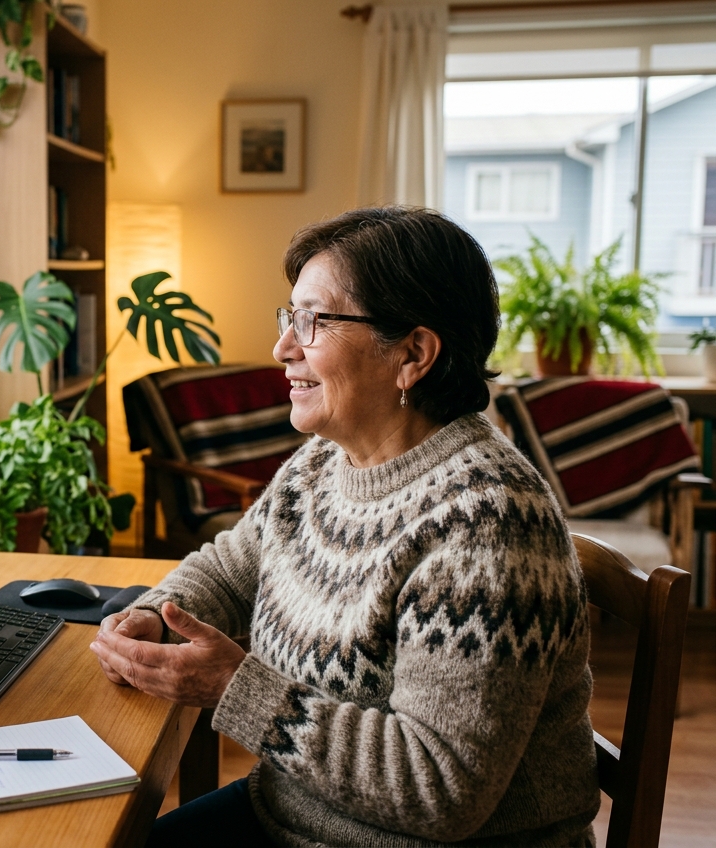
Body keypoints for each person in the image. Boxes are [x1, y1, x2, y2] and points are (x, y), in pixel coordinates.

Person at [90, 207, 600, 847]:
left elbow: (441, 789)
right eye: (288, 317)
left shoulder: (488, 525)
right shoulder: (325, 465)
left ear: (412, 353)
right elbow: (228, 567)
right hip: (297, 818)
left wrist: (233, 686)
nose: (283, 348)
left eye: (314, 321)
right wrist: (161, 612)